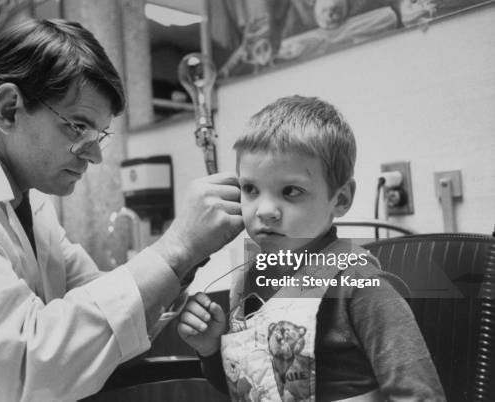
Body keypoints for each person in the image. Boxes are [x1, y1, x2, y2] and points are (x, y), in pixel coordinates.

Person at [0, 19, 243, 401]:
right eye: (78, 127)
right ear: (8, 109)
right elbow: (28, 362)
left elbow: (100, 313)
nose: (95, 154)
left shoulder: (30, 201)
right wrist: (175, 249)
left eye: (98, 134)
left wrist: (184, 264)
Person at [178, 96, 445, 401]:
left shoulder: (358, 286)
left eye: (291, 191)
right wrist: (210, 349)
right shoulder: (246, 284)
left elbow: (421, 394)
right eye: (251, 189)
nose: (265, 210)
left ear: (341, 199)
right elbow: (247, 388)